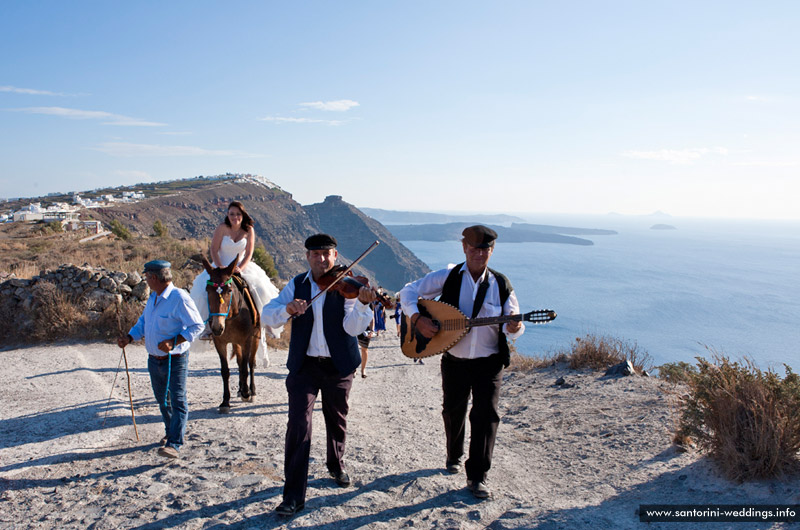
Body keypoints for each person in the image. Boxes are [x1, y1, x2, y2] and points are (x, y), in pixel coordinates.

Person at [399, 225, 524, 499]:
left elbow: (512, 322)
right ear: (464, 248)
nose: (480, 254)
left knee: (486, 417)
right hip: (454, 360)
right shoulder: (448, 277)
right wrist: (418, 319)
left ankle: (477, 476)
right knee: (453, 412)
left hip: (488, 363)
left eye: (485, 249)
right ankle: (453, 454)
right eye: (474, 248)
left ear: (492, 251)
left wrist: (514, 327)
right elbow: (408, 292)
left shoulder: (501, 284)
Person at [262, 234, 376, 516]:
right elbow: (268, 313)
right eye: (315, 254)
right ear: (307, 256)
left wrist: (362, 305)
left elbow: (352, 328)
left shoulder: (347, 285)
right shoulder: (297, 284)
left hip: (339, 365)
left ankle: (336, 465)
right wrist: (287, 309)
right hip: (305, 366)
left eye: (327, 254)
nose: (321, 259)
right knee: (298, 425)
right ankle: (292, 496)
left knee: (337, 419)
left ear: (335, 256)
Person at [117, 260, 205, 459]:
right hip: (154, 359)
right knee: (162, 400)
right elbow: (143, 323)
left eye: (147, 277)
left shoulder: (179, 297)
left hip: (175, 358)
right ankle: (170, 432)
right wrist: (130, 337)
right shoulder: (153, 298)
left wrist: (174, 341)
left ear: (154, 277)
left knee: (178, 399)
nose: (146, 280)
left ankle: (174, 443)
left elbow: (197, 326)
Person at [189, 201, 281, 361]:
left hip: (241, 267)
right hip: (221, 266)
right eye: (231, 214)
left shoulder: (249, 230)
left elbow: (249, 252)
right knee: (203, 292)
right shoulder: (221, 228)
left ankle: (264, 324)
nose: (235, 217)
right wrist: (220, 267)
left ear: (242, 215)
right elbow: (214, 250)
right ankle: (206, 328)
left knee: (259, 288)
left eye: (238, 214)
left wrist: (241, 267)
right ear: (227, 215)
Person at [357, 311, 375, 379]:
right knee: (353, 349)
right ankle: (354, 369)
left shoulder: (370, 303)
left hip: (366, 329)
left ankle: (363, 369)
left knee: (364, 349)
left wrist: (372, 330)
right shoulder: (354, 301)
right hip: (354, 328)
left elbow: (372, 318)